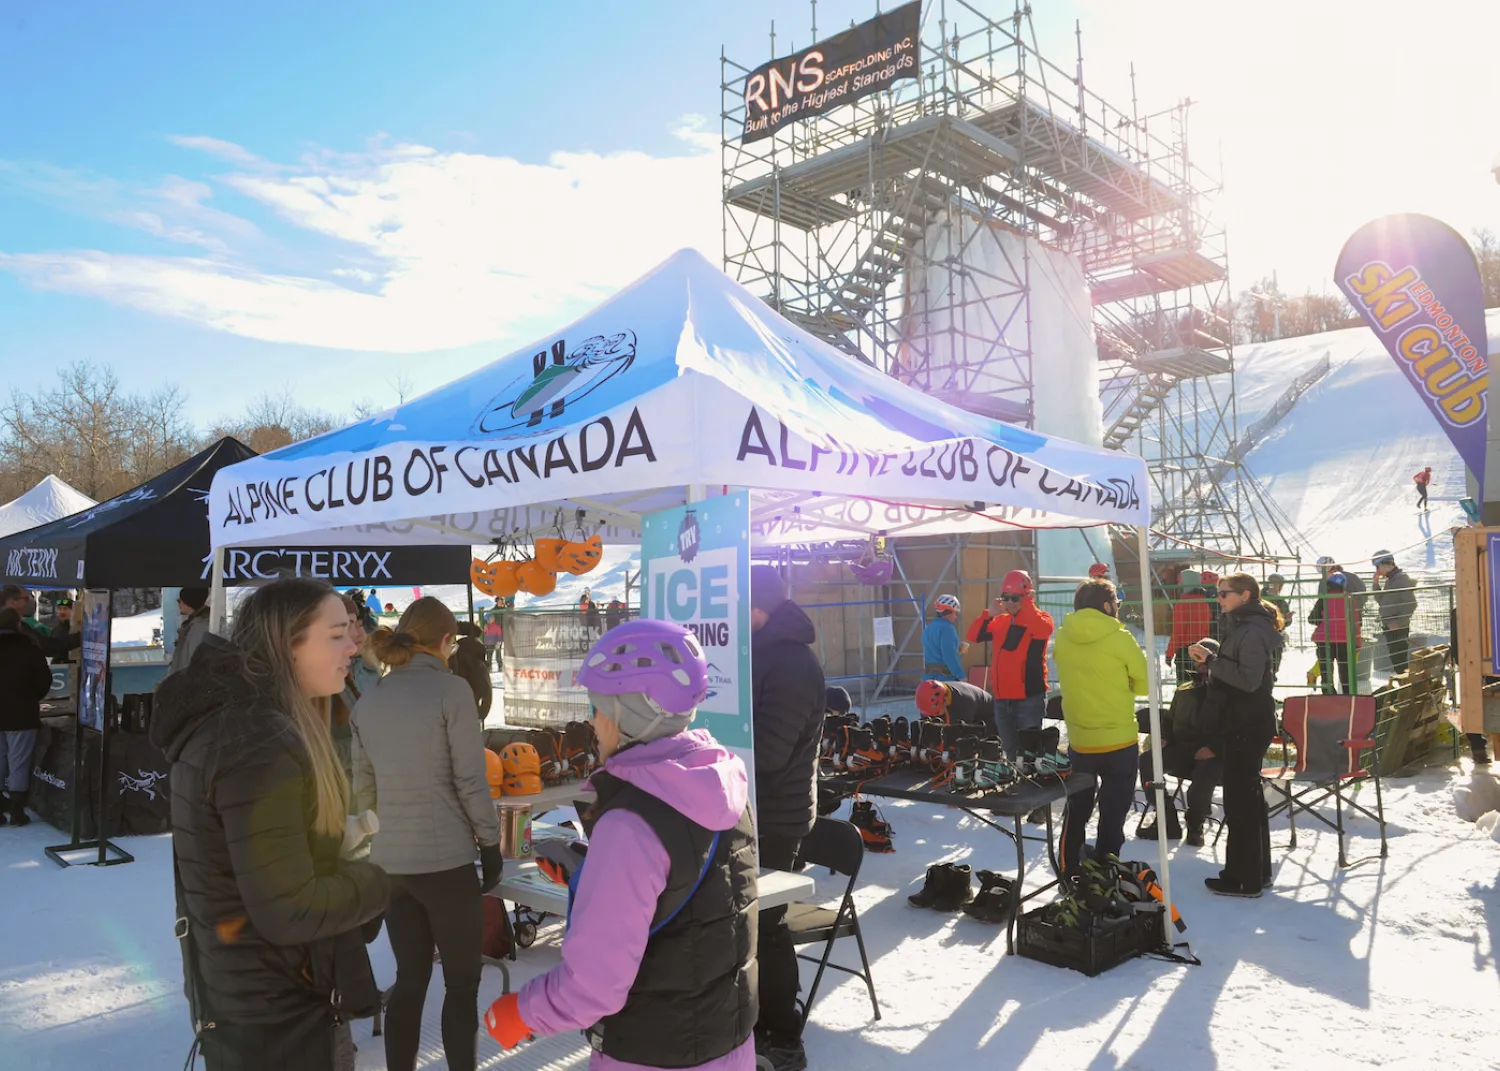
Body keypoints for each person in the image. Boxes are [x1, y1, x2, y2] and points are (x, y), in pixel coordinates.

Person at [482, 620, 757, 1070]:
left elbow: (593, 986)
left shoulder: (631, 821)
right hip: (728, 1043)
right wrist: (591, 876)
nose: (592, 720)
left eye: (597, 705)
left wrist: (522, 1011)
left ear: (631, 715)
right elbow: (690, 897)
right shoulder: (722, 781)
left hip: (651, 1051)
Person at [150, 578, 390, 1070]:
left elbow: (254, 866)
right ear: (289, 644)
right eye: (337, 633)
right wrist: (382, 881)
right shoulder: (257, 740)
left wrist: (323, 846)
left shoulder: (251, 723)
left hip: (259, 1002)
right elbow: (290, 912)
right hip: (276, 1020)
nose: (355, 644)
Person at [352, 597, 503, 1071]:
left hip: (392, 865)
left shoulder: (370, 699)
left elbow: (364, 790)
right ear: (445, 642)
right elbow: (470, 780)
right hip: (447, 864)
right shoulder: (452, 691)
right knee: (461, 984)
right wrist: (491, 841)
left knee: (410, 979)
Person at [747, 565, 823, 1071]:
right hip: (751, 808)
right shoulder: (759, 651)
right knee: (746, 924)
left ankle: (782, 1034)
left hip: (776, 815)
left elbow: (771, 752)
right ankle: (752, 1019)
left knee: (766, 925)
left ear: (761, 608)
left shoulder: (793, 663)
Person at [1189, 573, 1285, 897]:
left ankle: (1244, 879)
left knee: (1241, 802)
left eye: (1224, 593)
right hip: (1244, 720)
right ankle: (1255, 873)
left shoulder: (1253, 629)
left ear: (1245, 595)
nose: (1219, 598)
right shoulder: (1246, 625)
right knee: (1249, 800)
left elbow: (1248, 680)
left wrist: (1212, 661)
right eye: (1217, 593)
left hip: (1247, 722)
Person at [1052, 578, 1148, 877]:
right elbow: (1143, 681)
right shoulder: (1121, 638)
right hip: (1119, 737)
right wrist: (1123, 683)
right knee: (1113, 812)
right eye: (1116, 603)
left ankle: (1068, 869)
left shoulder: (1063, 637)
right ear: (1107, 605)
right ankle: (1106, 873)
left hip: (1081, 738)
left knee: (1076, 810)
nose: (1118, 608)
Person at [965, 570, 1053, 759]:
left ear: (1027, 597)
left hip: (1028, 699)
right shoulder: (1000, 621)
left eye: (1016, 598)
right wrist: (988, 614)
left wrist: (1028, 602)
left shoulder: (1040, 618)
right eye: (1006, 597)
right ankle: (1016, 785)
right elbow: (973, 636)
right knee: (1010, 752)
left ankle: (1032, 786)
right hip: (1002, 699)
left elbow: (1042, 630)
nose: (1011, 603)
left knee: (1030, 754)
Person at [1137, 674, 1223, 847]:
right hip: (1183, 749)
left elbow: (1235, 729)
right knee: (1148, 760)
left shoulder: (1228, 693)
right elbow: (1168, 720)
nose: (1201, 665)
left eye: (1205, 659)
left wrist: (1214, 749)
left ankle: (1195, 825)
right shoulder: (1184, 691)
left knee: (1205, 773)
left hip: (1215, 755)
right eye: (1197, 659)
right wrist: (1165, 737)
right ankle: (1167, 819)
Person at [0, 608, 53, 827]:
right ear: (18, 624)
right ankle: (17, 810)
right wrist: (31, 696)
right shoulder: (30, 648)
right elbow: (43, 680)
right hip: (21, 713)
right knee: (19, 761)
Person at [0, 585, 81, 662]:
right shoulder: (17, 628)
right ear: (13, 602)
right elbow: (47, 647)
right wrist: (78, 638)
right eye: (26, 599)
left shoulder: (21, 625)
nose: (29, 602)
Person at [1371, 550, 1417, 675]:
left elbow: (1411, 603)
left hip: (1398, 628)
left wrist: (1398, 622)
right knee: (1396, 661)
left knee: (1399, 662)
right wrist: (1376, 584)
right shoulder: (1390, 581)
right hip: (1390, 626)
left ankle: (1406, 687)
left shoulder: (1401, 580)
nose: (1377, 570)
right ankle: (1404, 686)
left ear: (1385, 565)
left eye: (1377, 567)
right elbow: (1382, 601)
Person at [1310, 571, 1357, 695]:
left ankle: (1329, 697)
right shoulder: (1350, 600)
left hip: (1324, 640)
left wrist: (1324, 621)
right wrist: (1357, 643)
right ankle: (1348, 698)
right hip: (1345, 641)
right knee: (1346, 674)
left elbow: (1312, 619)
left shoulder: (1324, 599)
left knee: (1326, 674)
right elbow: (1357, 621)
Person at [1165, 570, 1212, 684]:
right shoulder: (1205, 603)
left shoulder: (1182, 604)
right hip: (1203, 650)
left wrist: (1169, 654)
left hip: (1184, 652)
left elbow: (1178, 633)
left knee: (1184, 687)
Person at [449, 621, 493, 723]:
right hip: (472, 713)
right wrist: (481, 714)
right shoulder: (479, 662)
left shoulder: (453, 658)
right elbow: (486, 690)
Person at [915, 678, 994, 728]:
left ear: (945, 700)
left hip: (989, 718)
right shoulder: (932, 698)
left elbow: (960, 733)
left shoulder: (963, 703)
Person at [921, 594, 966, 682]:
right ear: (949, 613)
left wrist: (957, 648)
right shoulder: (948, 628)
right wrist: (961, 676)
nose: (956, 617)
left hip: (928, 680)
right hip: (944, 680)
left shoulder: (929, 628)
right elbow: (949, 656)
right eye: (955, 613)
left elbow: (935, 650)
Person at [169, 587, 212, 675]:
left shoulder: (200, 627)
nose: (178, 604)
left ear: (188, 602)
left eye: (179, 601)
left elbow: (193, 658)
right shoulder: (192, 624)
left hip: (189, 681)